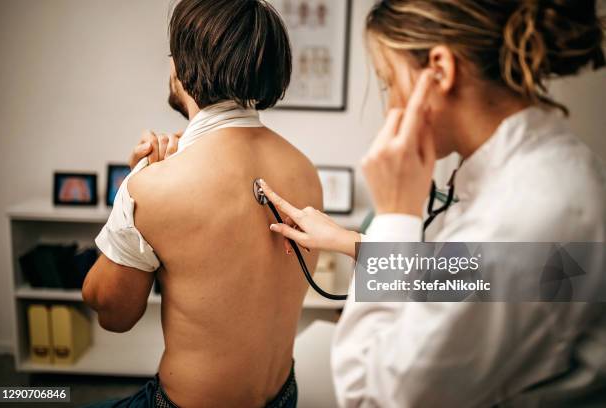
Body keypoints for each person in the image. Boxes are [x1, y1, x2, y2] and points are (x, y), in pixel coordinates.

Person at [259, 0, 606, 406]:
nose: (390, 107)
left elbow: (374, 396)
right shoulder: (532, 173)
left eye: (389, 83)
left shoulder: (529, 213)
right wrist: (352, 241)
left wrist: (394, 214)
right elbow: (468, 279)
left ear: (439, 70)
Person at [82, 1, 322, 407]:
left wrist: (132, 195)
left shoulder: (154, 187)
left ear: (180, 65)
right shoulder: (305, 170)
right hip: (283, 396)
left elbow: (113, 316)